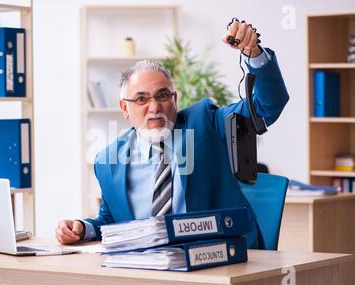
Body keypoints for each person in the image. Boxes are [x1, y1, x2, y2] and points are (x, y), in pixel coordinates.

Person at [56, 19, 289, 248]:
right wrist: (81, 227)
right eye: (141, 99)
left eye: (162, 95)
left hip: (219, 259)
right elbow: (112, 221)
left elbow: (268, 105)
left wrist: (254, 54)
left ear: (174, 100)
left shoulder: (206, 122)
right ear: (125, 108)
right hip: (153, 267)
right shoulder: (108, 161)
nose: (154, 107)